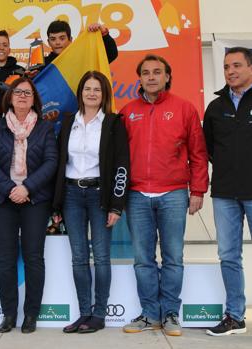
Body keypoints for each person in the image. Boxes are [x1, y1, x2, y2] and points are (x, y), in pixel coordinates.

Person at [120, 54, 208, 336]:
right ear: (140, 78)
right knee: (143, 259)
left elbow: (198, 153)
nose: (151, 77)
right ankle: (149, 314)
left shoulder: (185, 108)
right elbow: (119, 158)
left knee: (172, 257)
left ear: (167, 76)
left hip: (173, 193)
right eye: (146, 72)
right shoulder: (127, 111)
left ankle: (170, 313)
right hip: (136, 195)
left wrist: (197, 190)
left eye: (157, 72)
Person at [52, 71, 129, 333]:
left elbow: (121, 165)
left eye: (97, 89)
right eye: (87, 88)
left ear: (104, 94)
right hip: (72, 195)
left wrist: (117, 205)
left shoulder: (113, 123)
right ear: (80, 93)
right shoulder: (67, 123)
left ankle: (99, 314)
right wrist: (57, 204)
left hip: (100, 196)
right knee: (79, 258)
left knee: (102, 257)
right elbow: (59, 164)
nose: (92, 93)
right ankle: (84, 313)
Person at [0, 77, 58, 334]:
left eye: (27, 92)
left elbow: (51, 162)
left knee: (34, 258)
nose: (23, 96)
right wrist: (11, 189)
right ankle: (9, 314)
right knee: (5, 260)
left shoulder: (45, 128)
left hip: (34, 199)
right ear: (10, 98)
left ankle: (31, 315)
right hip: (3, 200)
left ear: (34, 98)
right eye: (18, 92)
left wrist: (26, 188)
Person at [203, 47, 252, 336]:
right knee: (229, 255)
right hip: (224, 193)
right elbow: (208, 148)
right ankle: (235, 316)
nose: (230, 71)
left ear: (250, 67)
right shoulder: (216, 107)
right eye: (225, 67)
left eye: (236, 65)